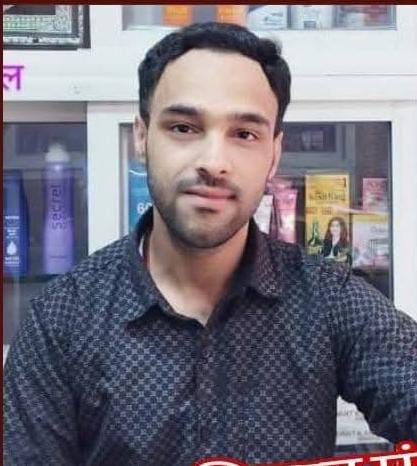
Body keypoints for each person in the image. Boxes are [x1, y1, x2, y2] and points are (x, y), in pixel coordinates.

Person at [4, 22, 417, 466]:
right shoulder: (62, 320)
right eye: (184, 127)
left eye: (244, 134)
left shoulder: (329, 300)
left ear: (274, 153)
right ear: (142, 136)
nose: (214, 163)